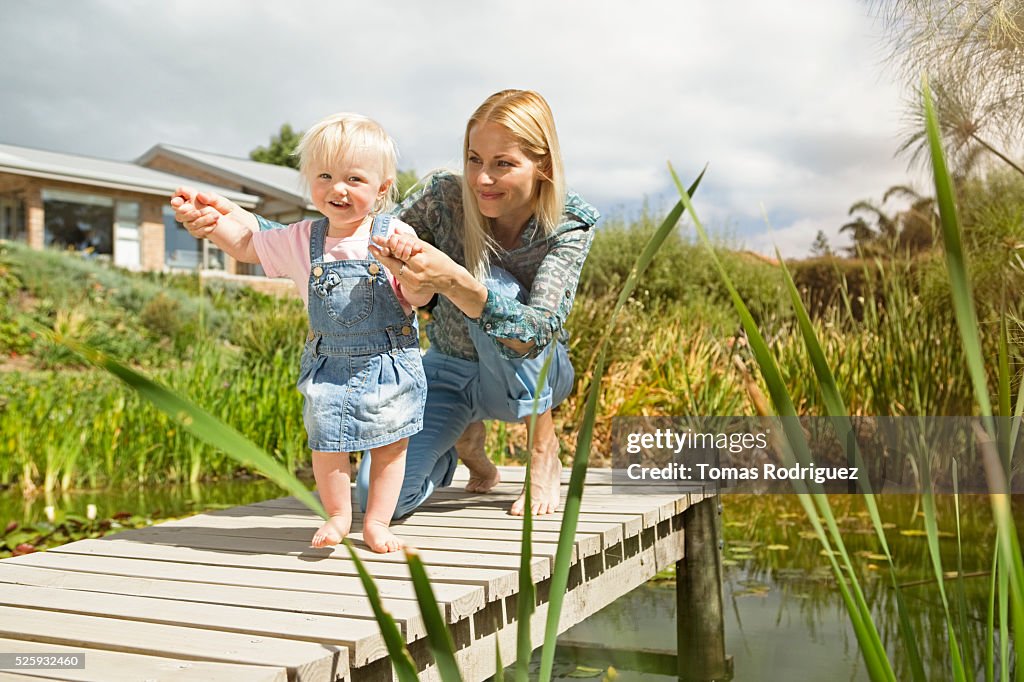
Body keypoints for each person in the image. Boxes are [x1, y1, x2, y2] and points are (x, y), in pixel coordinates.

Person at [174, 89, 599, 518]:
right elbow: (352, 236)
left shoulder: (568, 223)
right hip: (450, 367)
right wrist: (242, 223)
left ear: (541, 164)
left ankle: (542, 448)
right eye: (474, 159)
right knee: (381, 501)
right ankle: (467, 445)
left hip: (530, 377)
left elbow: (538, 331)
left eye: (502, 164)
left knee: (493, 284)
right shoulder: (445, 197)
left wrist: (454, 281)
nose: (481, 179)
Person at [170, 113, 430, 552]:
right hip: (329, 359)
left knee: (389, 444)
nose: (337, 189)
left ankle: (378, 523)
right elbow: (248, 245)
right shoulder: (301, 238)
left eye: (353, 178)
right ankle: (336, 515)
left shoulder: (394, 235)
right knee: (327, 440)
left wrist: (410, 266)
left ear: (382, 189)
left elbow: (420, 296)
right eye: (324, 176)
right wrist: (210, 223)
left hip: (387, 359)